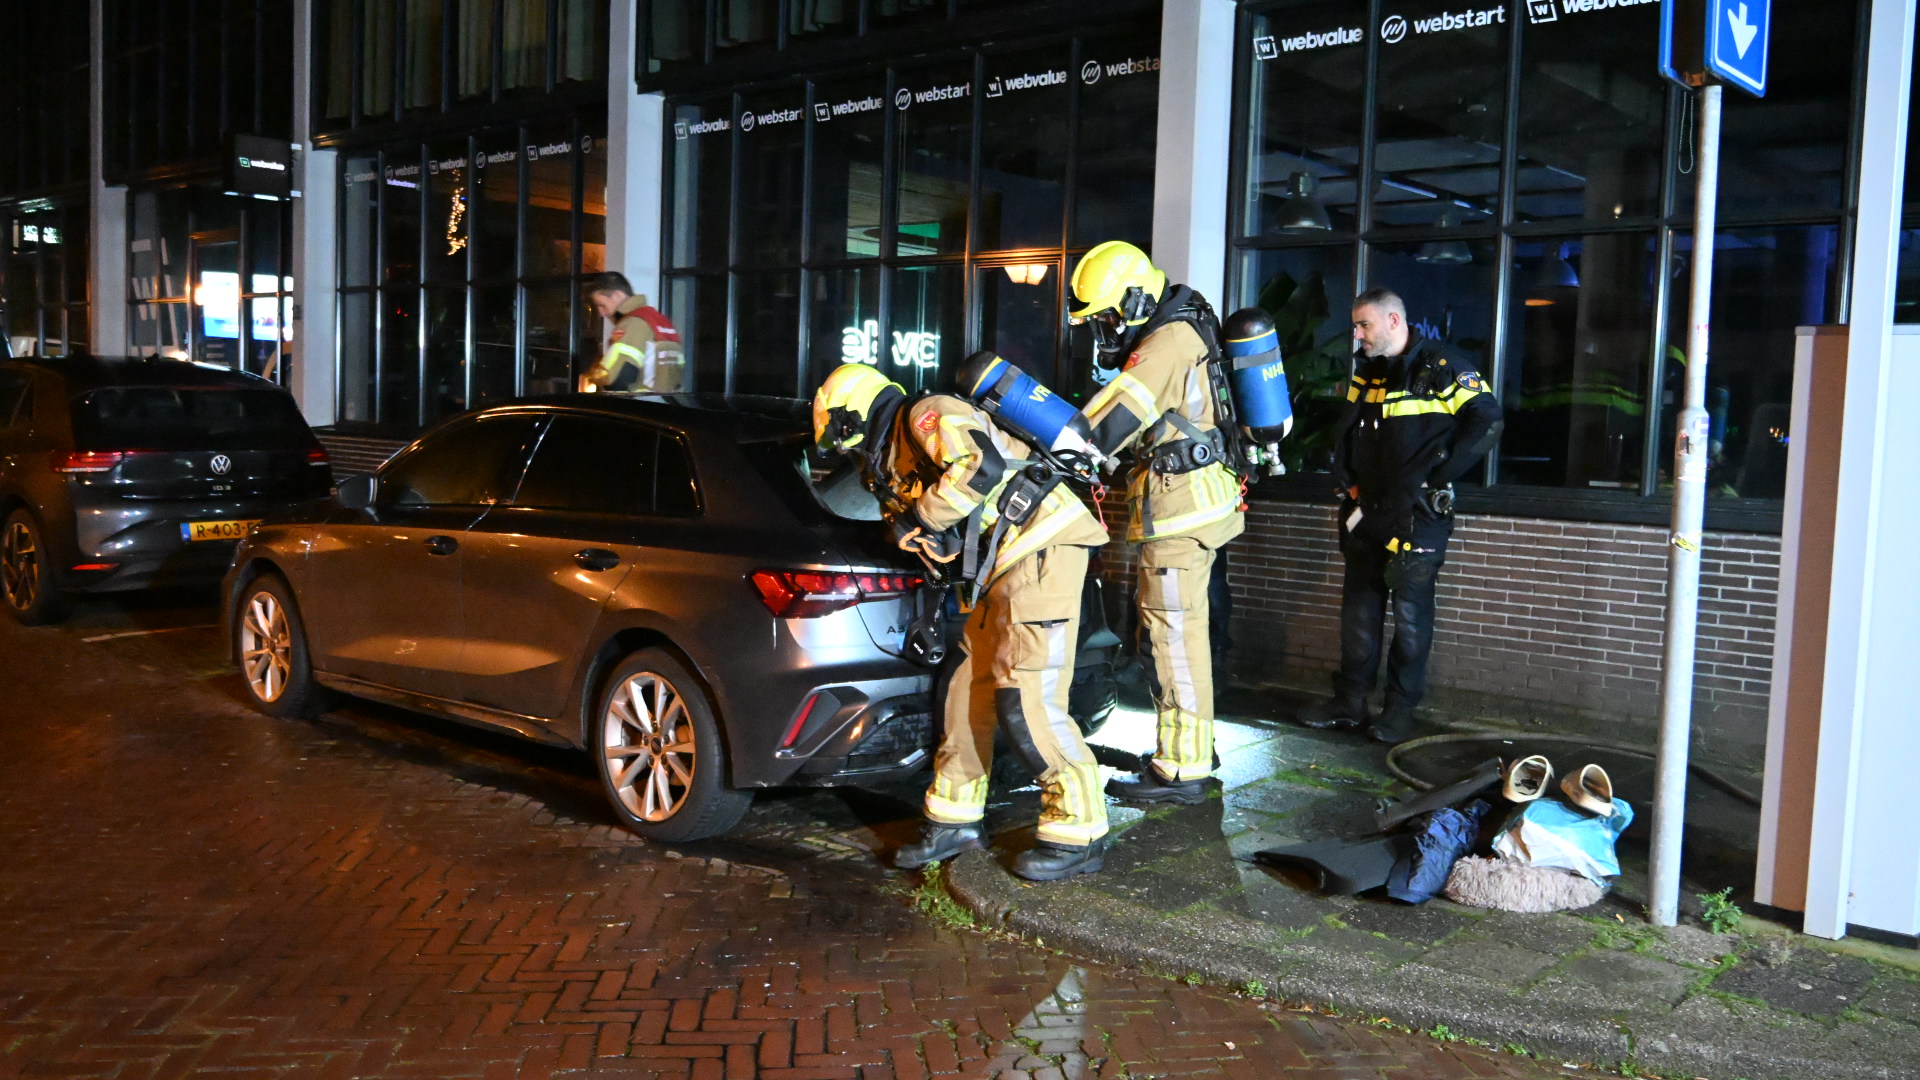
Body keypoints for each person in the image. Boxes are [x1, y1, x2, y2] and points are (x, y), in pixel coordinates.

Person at [811, 362, 1113, 881]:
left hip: (1040, 549)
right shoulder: (895, 457)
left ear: (851, 417)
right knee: (964, 688)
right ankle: (953, 818)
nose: (850, 452)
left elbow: (981, 467)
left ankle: (1079, 828)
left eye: (845, 439)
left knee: (1026, 696)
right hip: (999, 569)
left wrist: (921, 518)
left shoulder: (927, 415)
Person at [1068, 241, 1243, 806]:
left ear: (1137, 299)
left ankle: (1183, 767)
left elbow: (1108, 423)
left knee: (1174, 637)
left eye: (1108, 316)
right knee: (1181, 632)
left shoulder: (1167, 342)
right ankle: (1192, 748)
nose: (1106, 330)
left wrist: (1051, 439)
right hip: (1187, 502)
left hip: (1179, 510)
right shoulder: (1175, 328)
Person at [1296, 287, 1503, 744]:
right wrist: (1346, 480)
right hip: (1365, 513)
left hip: (1417, 517)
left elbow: (1487, 422)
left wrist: (1434, 480)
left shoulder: (1444, 366)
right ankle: (1350, 703)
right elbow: (1345, 433)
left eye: (1364, 325)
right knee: (1359, 616)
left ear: (1393, 321)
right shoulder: (1369, 374)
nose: (1357, 335)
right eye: (1355, 326)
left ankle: (1399, 711)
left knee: (1410, 619)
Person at [582, 272, 685, 392]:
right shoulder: (660, 321)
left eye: (601, 305)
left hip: (638, 404)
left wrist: (593, 376)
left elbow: (616, 379)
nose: (601, 312)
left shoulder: (633, 324)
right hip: (664, 404)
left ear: (617, 295)